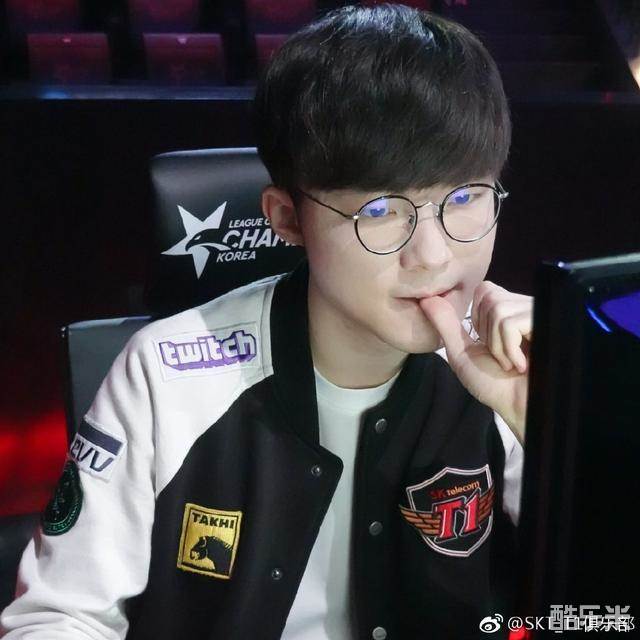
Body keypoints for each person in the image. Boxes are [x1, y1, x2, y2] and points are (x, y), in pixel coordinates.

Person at [0, 4, 532, 639]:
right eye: (381, 210)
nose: (435, 256)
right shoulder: (165, 377)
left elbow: (602, 598)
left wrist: (543, 419)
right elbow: (57, 617)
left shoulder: (512, 365)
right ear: (286, 219)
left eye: (465, 197)